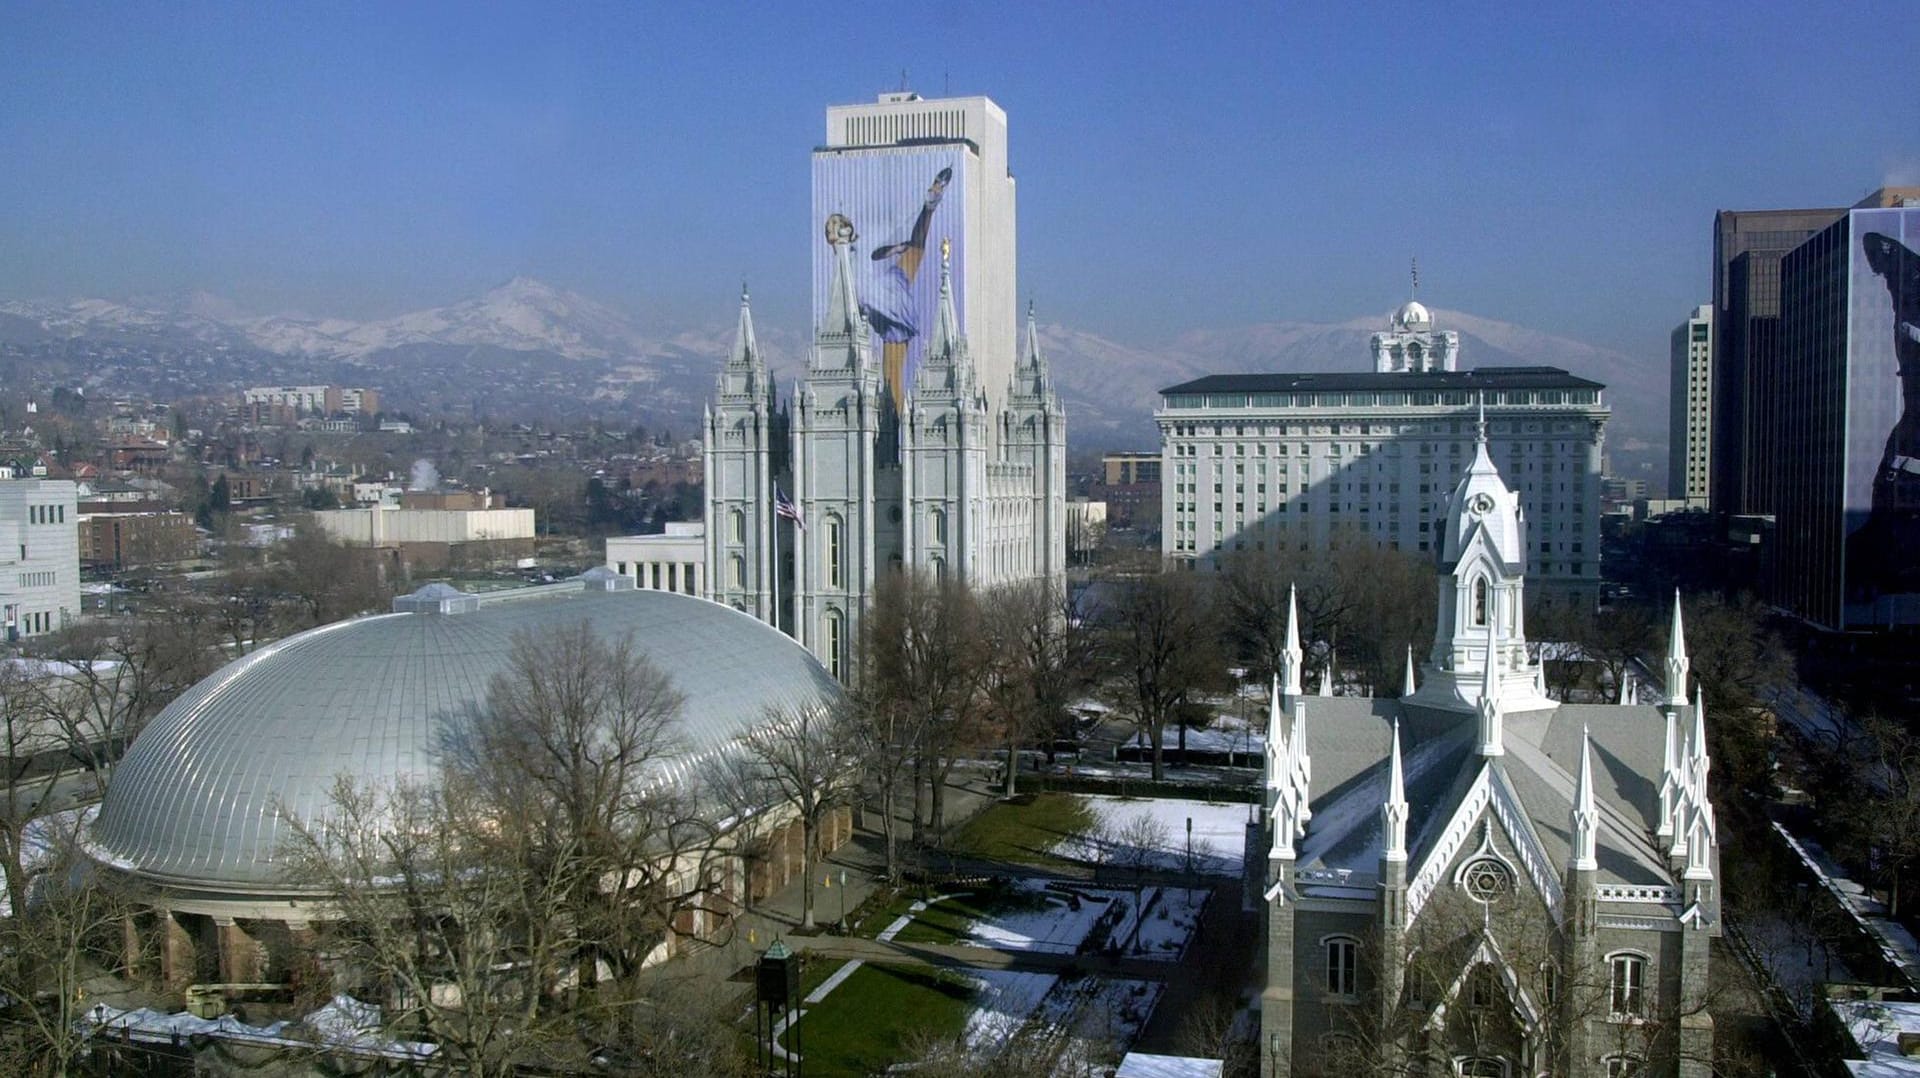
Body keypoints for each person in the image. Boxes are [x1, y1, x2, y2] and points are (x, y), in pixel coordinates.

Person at [859, 167, 951, 407]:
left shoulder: (887, 272)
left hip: (891, 295)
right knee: (892, 381)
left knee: (892, 381)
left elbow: (901, 248)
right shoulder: (856, 262)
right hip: (883, 301)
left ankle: (931, 203)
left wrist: (897, 247)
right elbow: (874, 255)